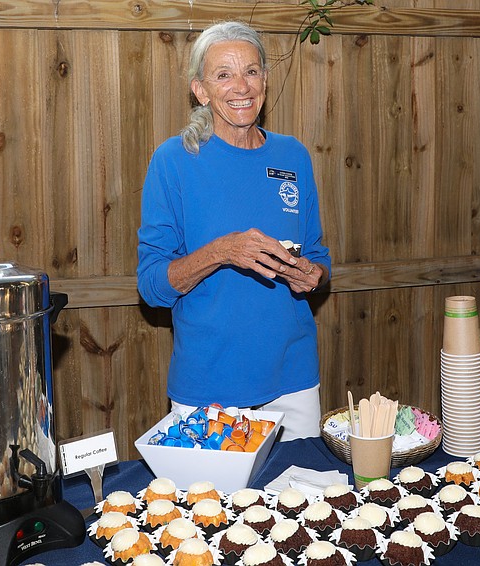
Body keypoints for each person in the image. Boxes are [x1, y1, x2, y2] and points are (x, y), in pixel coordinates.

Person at [136, 20, 331, 441]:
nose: (241, 86)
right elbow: (152, 287)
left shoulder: (293, 156)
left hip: (294, 384)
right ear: (201, 91)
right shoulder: (172, 161)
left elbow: (317, 255)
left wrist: (312, 275)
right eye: (223, 75)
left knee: (302, 507)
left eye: (251, 71)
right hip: (207, 393)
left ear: (265, 79)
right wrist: (223, 251)